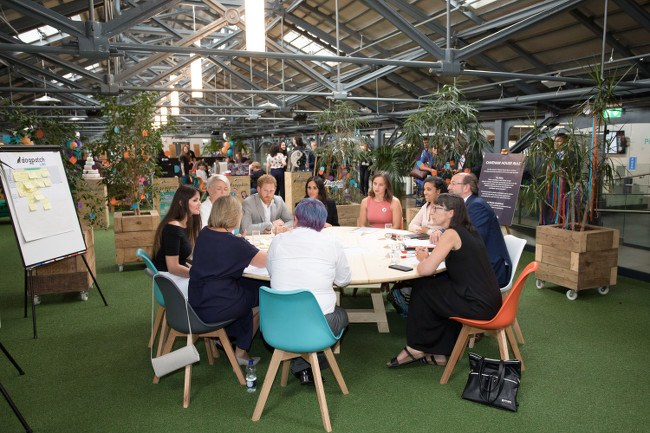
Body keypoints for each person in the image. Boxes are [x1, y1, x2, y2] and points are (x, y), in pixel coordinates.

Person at [387, 193, 502, 368]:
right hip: (488, 299)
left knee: (423, 288)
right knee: (435, 286)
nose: (432, 212)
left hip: (477, 305)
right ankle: (440, 353)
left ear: (451, 213)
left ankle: (416, 348)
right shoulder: (468, 230)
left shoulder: (451, 234)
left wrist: (422, 258)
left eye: (437, 208)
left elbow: (425, 270)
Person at [267, 198, 351, 383]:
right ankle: (306, 364)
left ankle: (301, 364)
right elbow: (344, 281)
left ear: (295, 219)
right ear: (323, 222)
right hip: (317, 324)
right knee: (342, 316)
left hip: (277, 322)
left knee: (307, 312)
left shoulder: (278, 241)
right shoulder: (332, 244)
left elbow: (271, 273)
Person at [188, 195, 266, 366]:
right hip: (218, 305)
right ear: (234, 215)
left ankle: (230, 336)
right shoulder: (234, 243)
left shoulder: (205, 233)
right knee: (265, 292)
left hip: (197, 300)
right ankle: (241, 350)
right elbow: (265, 261)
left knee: (249, 286)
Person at [446, 172, 512, 287]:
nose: (448, 187)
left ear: (466, 187)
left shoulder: (477, 206)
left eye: (453, 183)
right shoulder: (466, 205)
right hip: (476, 264)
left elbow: (473, 240)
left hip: (489, 271)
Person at [152, 185, 202, 297]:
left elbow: (182, 259)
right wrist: (196, 274)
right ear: (181, 203)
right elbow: (173, 267)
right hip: (169, 279)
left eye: (199, 200)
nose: (199, 204)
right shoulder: (173, 228)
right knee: (210, 286)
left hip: (174, 275)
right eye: (195, 200)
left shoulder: (185, 223)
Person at [414, 140, 438, 206]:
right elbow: (419, 164)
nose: (425, 144)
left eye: (426, 142)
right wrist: (430, 169)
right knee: (421, 200)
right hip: (423, 179)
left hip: (433, 179)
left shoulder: (438, 157)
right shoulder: (425, 153)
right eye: (424, 142)